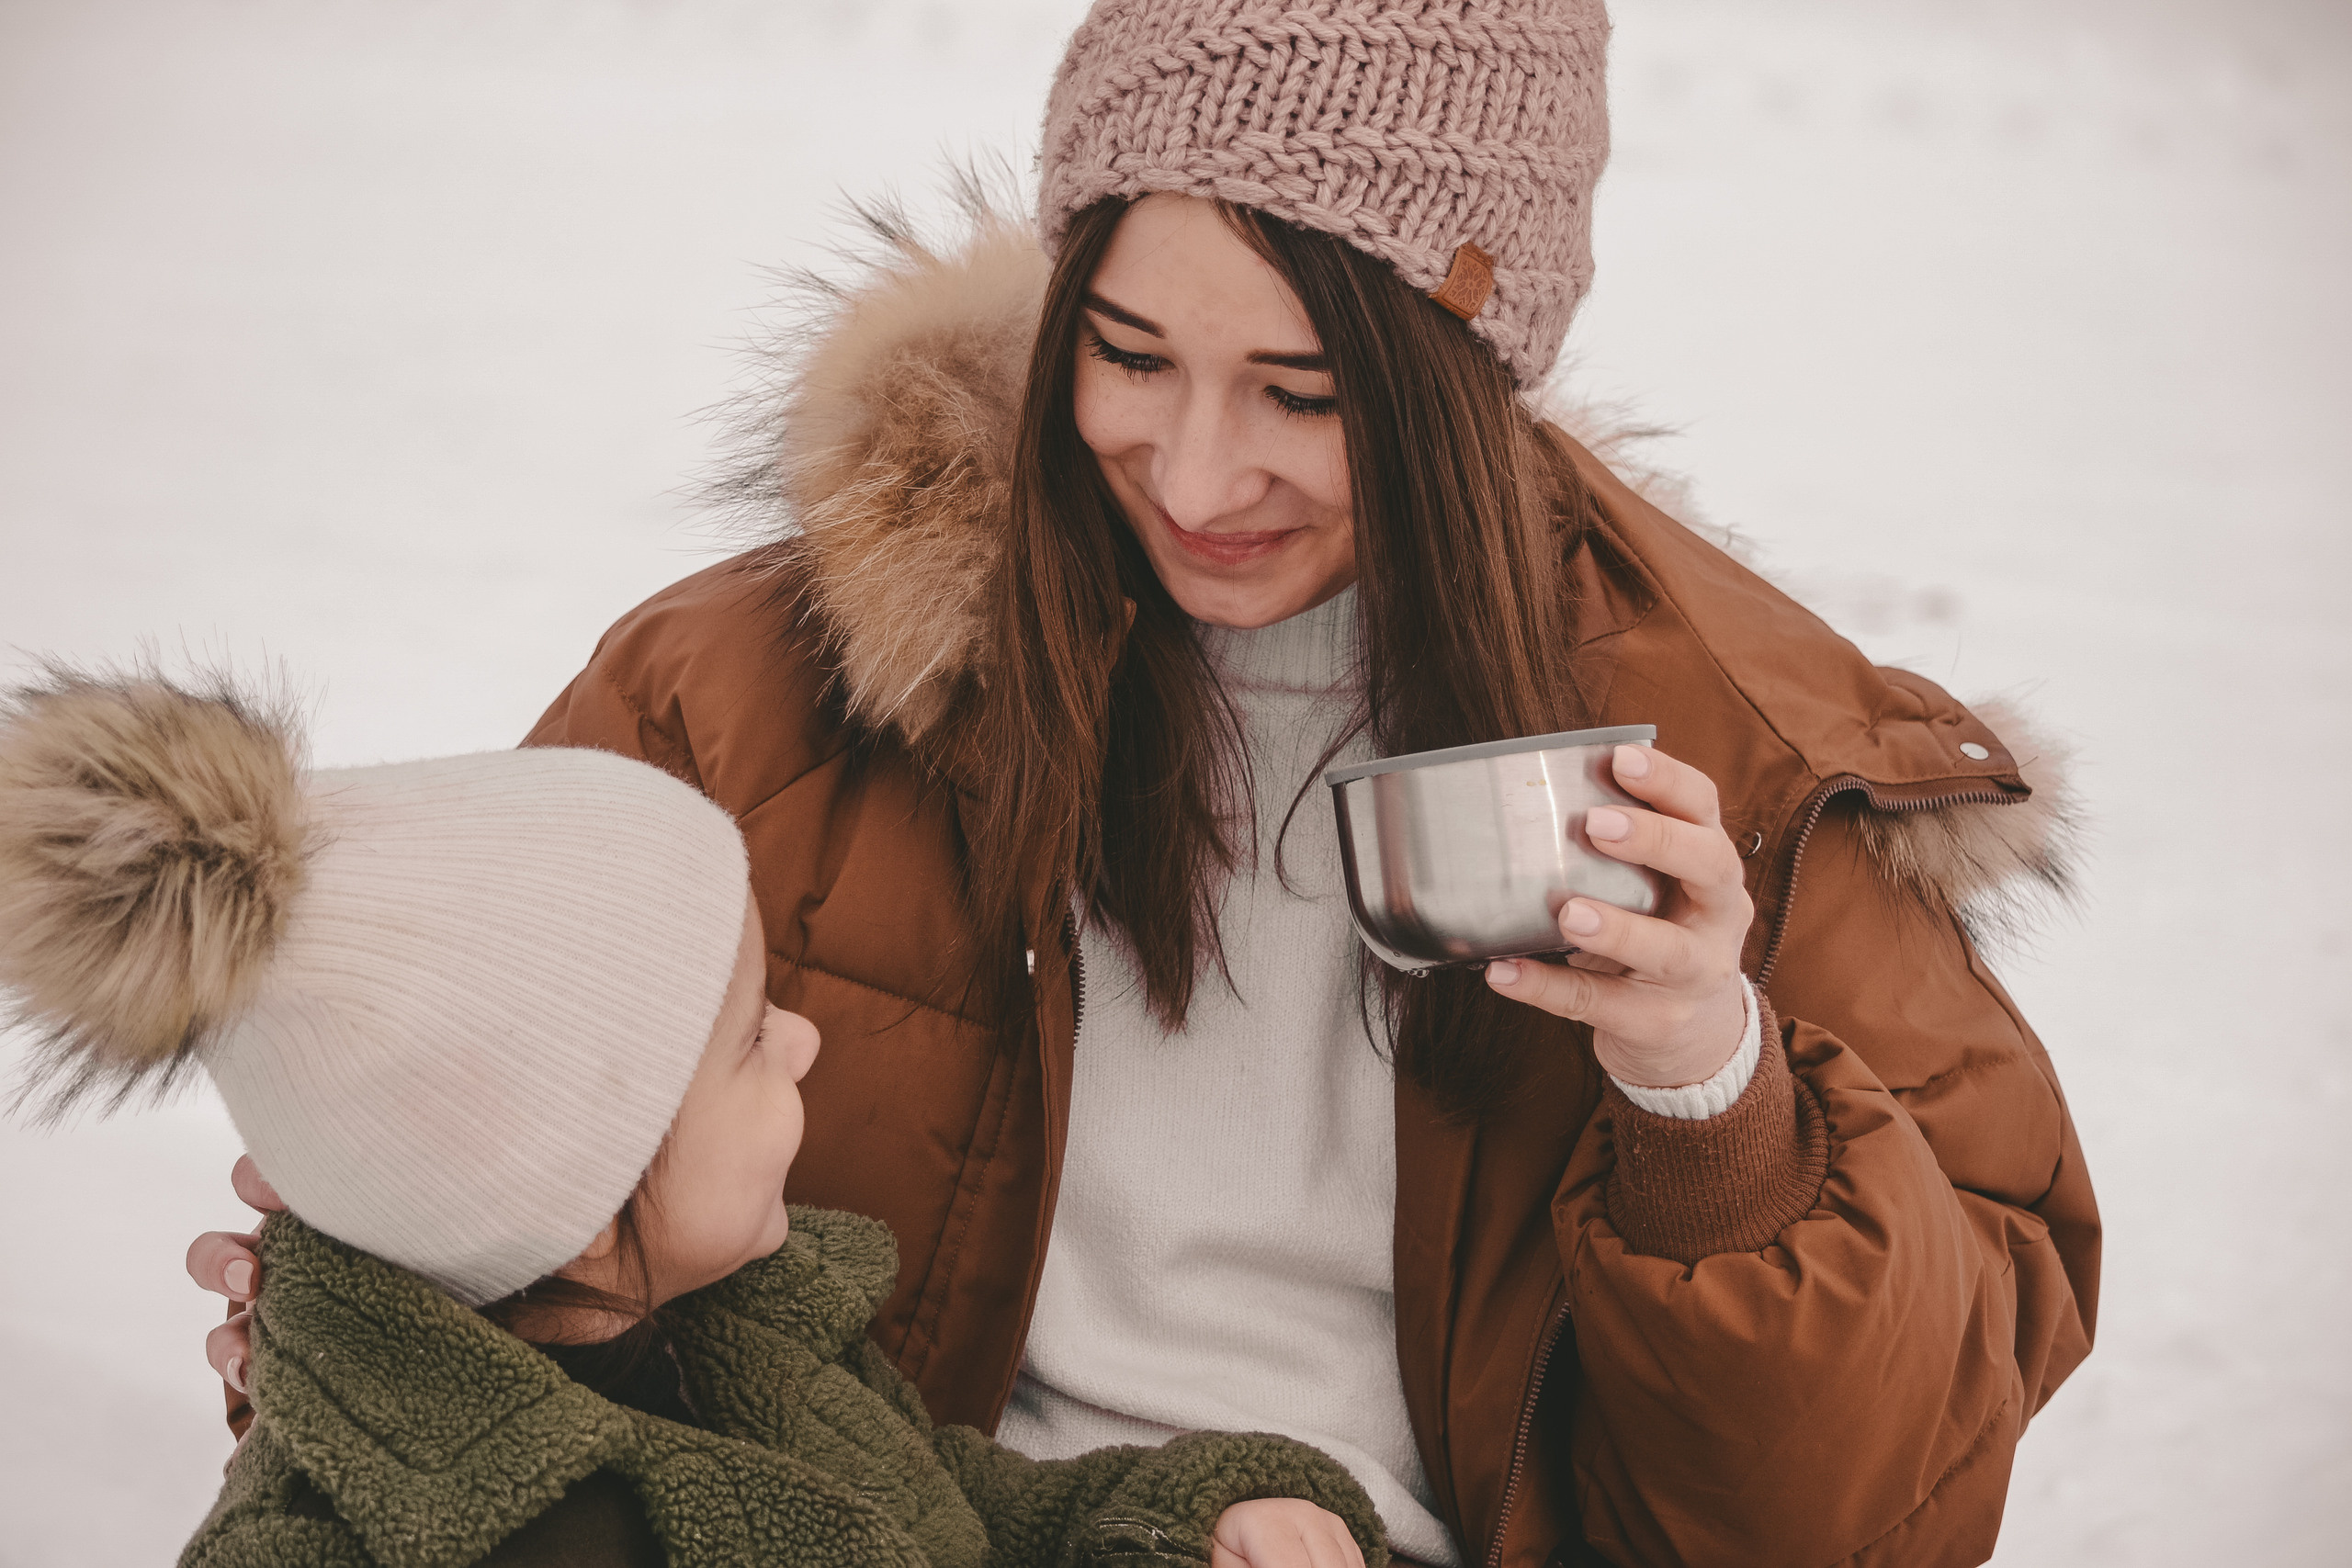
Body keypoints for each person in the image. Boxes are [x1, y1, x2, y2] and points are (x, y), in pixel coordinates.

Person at [190, 2, 2101, 1563]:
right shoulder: (751, 694)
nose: (1194, 477)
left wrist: (1706, 1083)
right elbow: (494, 1231)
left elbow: (1861, 1513)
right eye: (1125, 354)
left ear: (1461, 377)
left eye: (1301, 393)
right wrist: (382, 1300)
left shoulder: (1740, 758)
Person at [0, 669, 1384, 1568]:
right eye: (743, 1043)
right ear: (573, 1193)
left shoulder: (751, 1344)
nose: (804, 1036)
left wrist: (1202, 1527)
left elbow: (966, 1524)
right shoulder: (371, 1543)